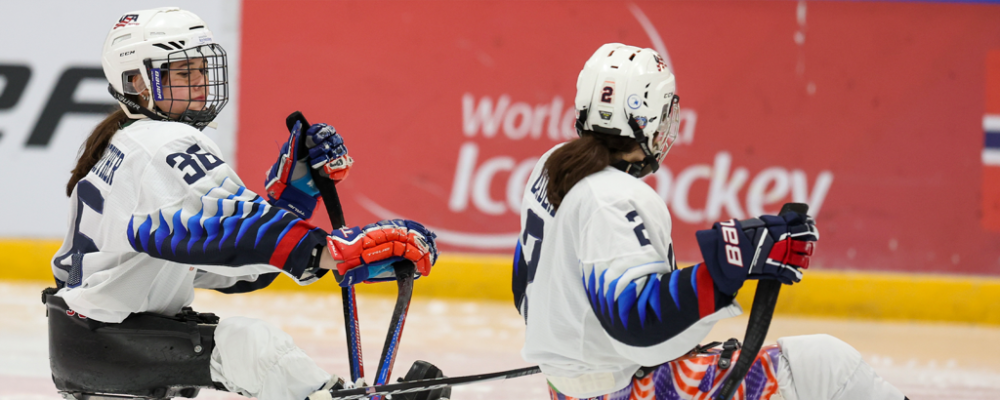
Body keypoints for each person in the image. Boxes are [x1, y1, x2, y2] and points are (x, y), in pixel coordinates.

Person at [51, 7, 437, 400]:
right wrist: (331, 251)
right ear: (137, 83)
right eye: (184, 73)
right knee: (252, 348)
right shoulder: (161, 143)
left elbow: (230, 260)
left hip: (92, 343)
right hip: (110, 344)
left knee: (248, 347)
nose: (200, 83)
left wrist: (294, 200)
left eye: (201, 69)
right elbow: (225, 228)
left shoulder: (127, 143)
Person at [514, 43, 907, 400]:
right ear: (650, 118)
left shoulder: (553, 166)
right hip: (619, 393)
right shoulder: (613, 197)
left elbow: (527, 287)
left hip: (575, 388)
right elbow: (637, 326)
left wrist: (571, 351)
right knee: (827, 365)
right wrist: (728, 266)